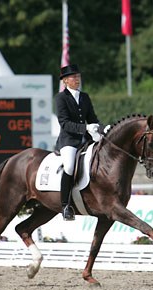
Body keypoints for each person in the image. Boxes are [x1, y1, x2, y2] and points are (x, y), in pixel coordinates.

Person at [55, 64, 104, 221]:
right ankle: (65, 205)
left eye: (78, 77)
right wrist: (85, 128)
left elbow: (93, 119)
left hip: (86, 140)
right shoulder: (61, 98)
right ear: (65, 81)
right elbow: (64, 123)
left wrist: (103, 128)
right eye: (73, 77)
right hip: (68, 140)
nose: (77, 80)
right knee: (69, 165)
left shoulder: (85, 97)